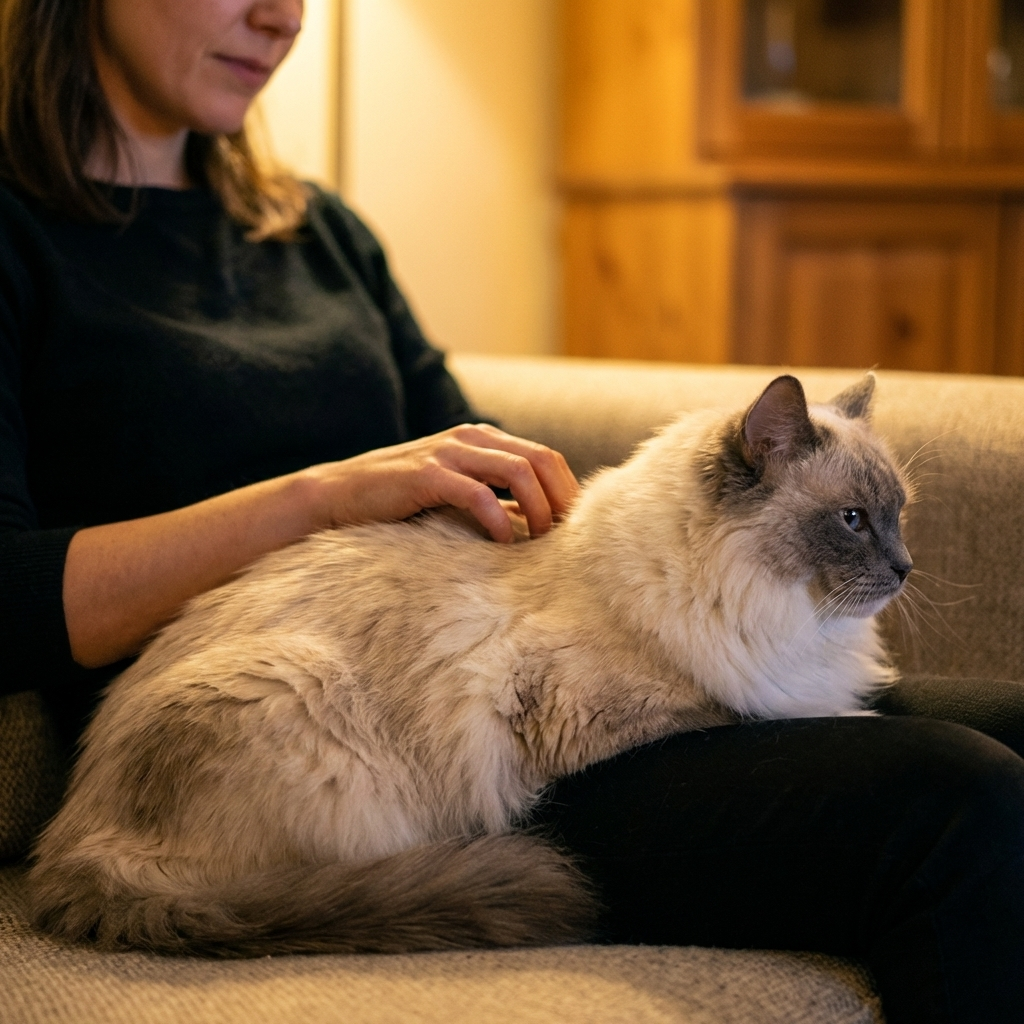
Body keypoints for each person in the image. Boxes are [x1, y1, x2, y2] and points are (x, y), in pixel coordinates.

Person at [0, 3, 1020, 1022]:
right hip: (351, 759)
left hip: (499, 661)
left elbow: (484, 468)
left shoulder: (317, 233)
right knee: (955, 798)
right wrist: (316, 497)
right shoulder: (15, 235)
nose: (280, 18)